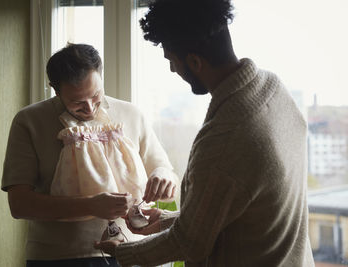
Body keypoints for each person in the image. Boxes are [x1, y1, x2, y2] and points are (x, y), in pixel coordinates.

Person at [95, 0, 315, 266]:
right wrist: (168, 220)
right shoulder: (273, 88)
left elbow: (188, 244)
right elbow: (241, 206)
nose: (172, 69)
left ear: (195, 62)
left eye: (171, 60)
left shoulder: (226, 138)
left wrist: (122, 251)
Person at [1, 43, 177, 267]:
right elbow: (19, 205)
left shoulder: (132, 114)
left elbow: (168, 175)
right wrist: (90, 206)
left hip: (132, 253)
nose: (90, 108)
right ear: (55, 90)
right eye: (77, 103)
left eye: (96, 95)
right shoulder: (28, 121)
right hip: (57, 257)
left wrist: (163, 176)